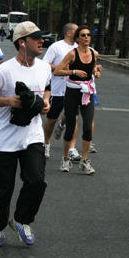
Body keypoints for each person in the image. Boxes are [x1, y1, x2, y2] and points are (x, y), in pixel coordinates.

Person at [0, 21, 51, 247]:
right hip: (4, 139)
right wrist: (8, 101)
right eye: (36, 37)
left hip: (33, 135)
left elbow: (47, 87)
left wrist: (46, 102)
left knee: (37, 181)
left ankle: (21, 220)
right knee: (4, 188)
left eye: (42, 37)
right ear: (22, 42)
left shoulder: (45, 67)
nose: (42, 41)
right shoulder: (4, 70)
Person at [54, 25, 102, 175]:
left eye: (88, 35)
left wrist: (96, 71)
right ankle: (66, 158)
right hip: (72, 92)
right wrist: (73, 71)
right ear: (77, 38)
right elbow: (57, 71)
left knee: (88, 127)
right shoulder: (72, 54)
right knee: (70, 126)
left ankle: (84, 161)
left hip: (87, 92)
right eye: (83, 35)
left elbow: (93, 68)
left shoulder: (94, 53)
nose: (86, 37)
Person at [42, 23, 81, 161]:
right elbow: (45, 63)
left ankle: (72, 148)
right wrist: (61, 68)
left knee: (73, 119)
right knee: (51, 118)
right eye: (77, 31)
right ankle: (46, 143)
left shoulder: (80, 48)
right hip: (57, 89)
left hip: (74, 88)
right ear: (69, 33)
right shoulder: (56, 47)